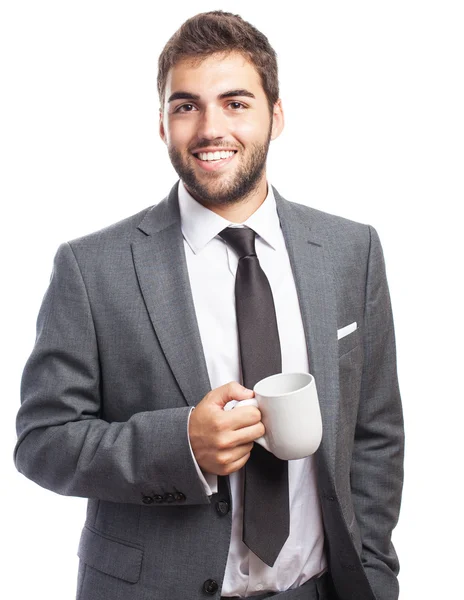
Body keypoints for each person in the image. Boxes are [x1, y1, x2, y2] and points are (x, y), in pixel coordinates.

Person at [14, 11, 404, 600]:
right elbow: (41, 441)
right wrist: (182, 445)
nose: (209, 128)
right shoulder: (92, 268)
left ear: (276, 115)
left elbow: (375, 434)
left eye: (236, 103)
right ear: (163, 123)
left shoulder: (352, 251)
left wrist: (374, 578)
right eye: (186, 105)